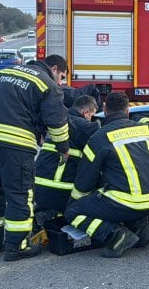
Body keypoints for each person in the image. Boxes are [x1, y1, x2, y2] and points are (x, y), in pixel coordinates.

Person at [0, 54, 70, 261]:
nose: (61, 83)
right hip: (16, 144)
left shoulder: (4, 72)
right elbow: (57, 122)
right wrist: (63, 148)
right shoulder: (48, 85)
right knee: (20, 194)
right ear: (54, 69)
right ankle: (17, 246)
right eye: (62, 77)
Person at [63, 91, 149, 258]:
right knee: (122, 196)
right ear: (128, 110)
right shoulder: (145, 129)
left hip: (128, 201)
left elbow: (86, 179)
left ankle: (116, 235)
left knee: (73, 212)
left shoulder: (98, 138)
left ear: (104, 109)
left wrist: (75, 201)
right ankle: (142, 231)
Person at [33, 94, 100, 223]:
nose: (91, 119)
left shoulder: (59, 120)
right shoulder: (83, 126)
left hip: (39, 188)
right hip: (60, 190)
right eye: (91, 115)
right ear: (86, 112)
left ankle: (46, 216)